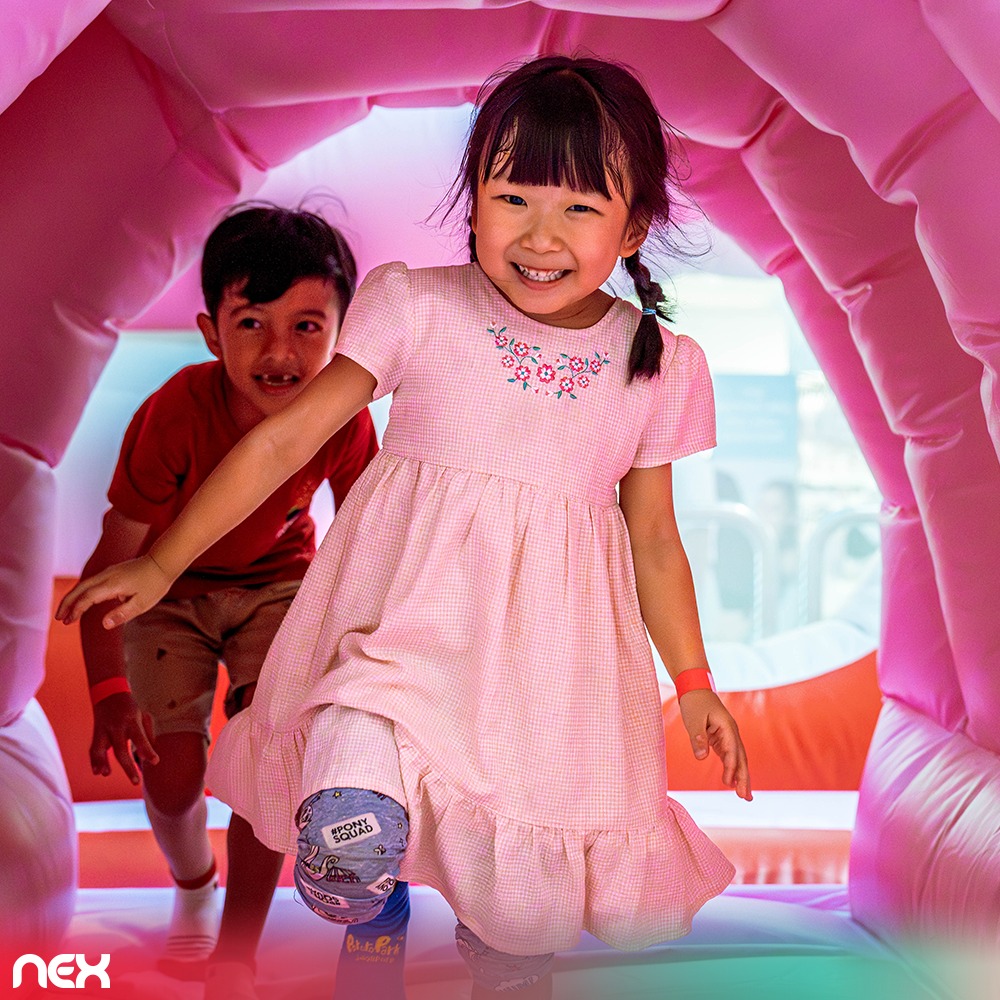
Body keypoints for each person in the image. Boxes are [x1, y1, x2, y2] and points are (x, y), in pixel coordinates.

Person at [58, 56, 752, 1000]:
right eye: (513, 196)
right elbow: (284, 440)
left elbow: (656, 541)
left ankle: (500, 965)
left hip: (547, 665)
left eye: (580, 210)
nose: (539, 235)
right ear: (473, 202)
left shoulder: (659, 362)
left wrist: (697, 679)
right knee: (361, 731)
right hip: (402, 622)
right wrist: (163, 561)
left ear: (634, 226)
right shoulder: (418, 306)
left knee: (516, 890)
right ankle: (365, 892)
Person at [67, 204, 385, 997]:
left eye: (309, 327)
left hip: (277, 588)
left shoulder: (342, 419)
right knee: (173, 778)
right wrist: (109, 694)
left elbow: (376, 542)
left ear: (345, 332)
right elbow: (112, 561)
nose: (280, 351)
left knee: (269, 760)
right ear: (213, 334)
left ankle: (237, 950)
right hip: (166, 592)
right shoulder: (177, 413)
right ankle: (193, 885)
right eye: (253, 323)